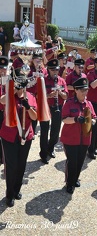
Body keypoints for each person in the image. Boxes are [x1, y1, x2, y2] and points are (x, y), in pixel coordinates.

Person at [0, 67, 37, 207]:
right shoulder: (9, 95)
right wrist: (14, 90)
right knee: (11, 166)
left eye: (23, 83)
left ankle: (17, 190)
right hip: (9, 136)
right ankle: (9, 194)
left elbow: (35, 117)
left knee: (21, 165)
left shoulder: (31, 97)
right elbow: (2, 101)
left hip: (26, 136)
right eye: (18, 82)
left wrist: (28, 107)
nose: (21, 85)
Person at [61, 77, 97, 194]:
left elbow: (95, 117)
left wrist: (92, 121)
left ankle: (75, 178)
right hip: (71, 138)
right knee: (72, 161)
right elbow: (65, 119)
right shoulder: (69, 103)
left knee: (80, 161)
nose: (84, 93)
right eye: (82, 90)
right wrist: (76, 119)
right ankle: (69, 183)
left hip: (85, 138)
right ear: (75, 90)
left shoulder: (89, 104)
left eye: (86, 90)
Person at [39, 59, 68, 164]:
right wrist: (48, 95)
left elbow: (66, 96)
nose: (55, 72)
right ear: (48, 70)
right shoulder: (43, 80)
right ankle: (43, 153)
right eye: (52, 70)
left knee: (55, 130)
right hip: (46, 107)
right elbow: (38, 96)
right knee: (44, 130)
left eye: (56, 70)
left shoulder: (61, 81)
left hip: (58, 107)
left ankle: (50, 148)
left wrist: (60, 92)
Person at [0, 56, 9, 164]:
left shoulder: (8, 79)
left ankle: (3, 156)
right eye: (1, 68)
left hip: (6, 111)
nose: (3, 70)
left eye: (4, 68)